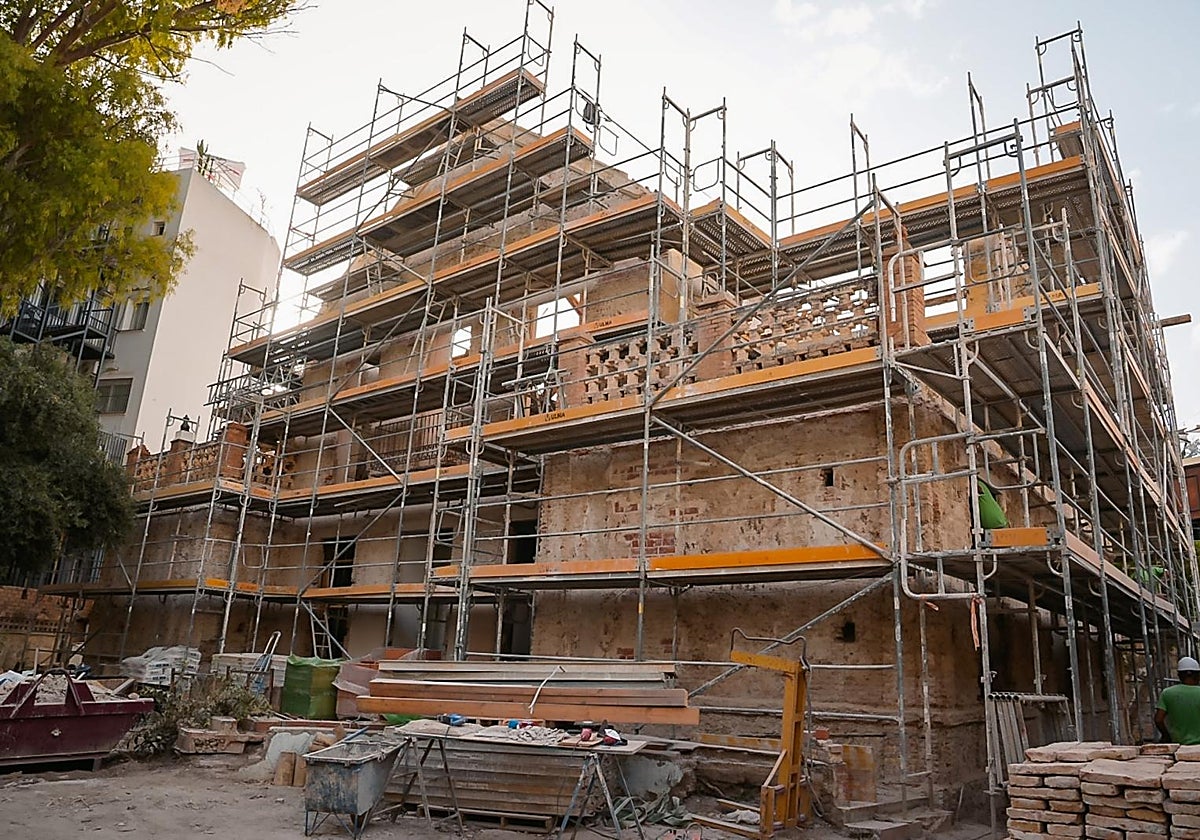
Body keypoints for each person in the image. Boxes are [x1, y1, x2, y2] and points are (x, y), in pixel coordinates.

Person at [1155, 656, 1200, 744]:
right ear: (1198, 675)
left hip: (1178, 746)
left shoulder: (1167, 693)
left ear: (1179, 675)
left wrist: (1166, 736)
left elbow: (1158, 719)